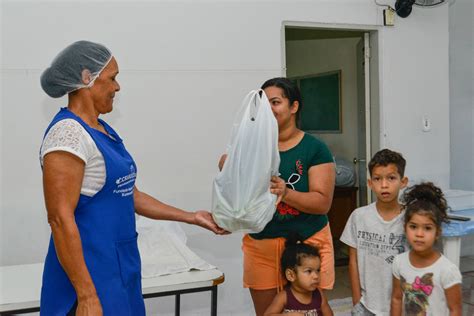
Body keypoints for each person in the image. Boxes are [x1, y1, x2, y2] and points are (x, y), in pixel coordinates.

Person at [39, 40, 227, 316]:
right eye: (113, 78)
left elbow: (130, 195)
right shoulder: (67, 135)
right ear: (87, 78)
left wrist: (191, 216)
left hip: (119, 268)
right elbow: (59, 218)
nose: (118, 87)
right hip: (89, 277)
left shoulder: (102, 130)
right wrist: (87, 295)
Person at [220, 77, 336, 316]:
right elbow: (230, 176)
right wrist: (229, 167)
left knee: (311, 310)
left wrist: (285, 192)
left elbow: (322, 203)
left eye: (275, 102)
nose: (269, 109)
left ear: (293, 107)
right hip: (262, 246)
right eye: (264, 104)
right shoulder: (250, 145)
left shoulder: (315, 148)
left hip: (308, 246)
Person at [340, 149, 409, 315]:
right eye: (378, 179)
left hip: (402, 307)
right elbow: (353, 261)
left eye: (391, 178)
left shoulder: (412, 220)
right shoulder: (359, 216)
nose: (384, 185)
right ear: (370, 183)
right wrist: (357, 301)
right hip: (366, 305)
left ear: (403, 181)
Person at [390, 182, 462, 315]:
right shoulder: (399, 262)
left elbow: (455, 310)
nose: (419, 234)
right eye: (413, 226)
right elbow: (396, 298)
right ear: (405, 228)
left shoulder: (447, 271)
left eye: (427, 228)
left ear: (437, 232)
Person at [263, 233, 333, 316]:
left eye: (317, 270)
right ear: (291, 275)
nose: (316, 276)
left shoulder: (319, 295)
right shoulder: (284, 297)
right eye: (309, 271)